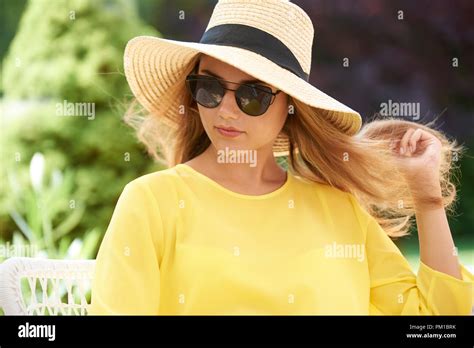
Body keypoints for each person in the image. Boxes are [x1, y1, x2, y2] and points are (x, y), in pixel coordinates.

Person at [88, 0, 473, 315]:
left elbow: (439, 321)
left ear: (291, 107)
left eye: (252, 95)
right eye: (209, 87)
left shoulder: (339, 211)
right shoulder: (151, 203)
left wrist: (426, 196)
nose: (225, 110)